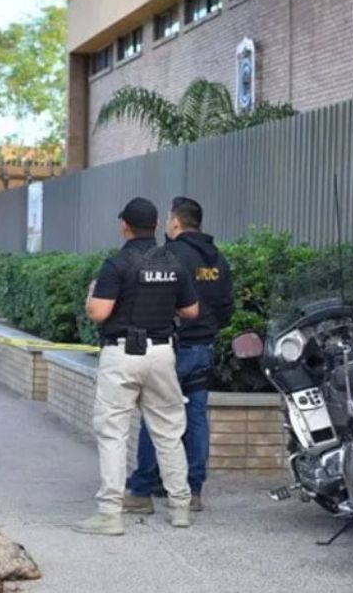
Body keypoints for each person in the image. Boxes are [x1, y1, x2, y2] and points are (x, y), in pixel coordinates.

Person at [76, 197, 200, 536]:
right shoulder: (174, 263)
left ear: (124, 225)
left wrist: (91, 297)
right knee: (169, 432)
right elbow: (191, 311)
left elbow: (99, 313)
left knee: (114, 432)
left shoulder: (116, 264)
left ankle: (110, 514)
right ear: (157, 225)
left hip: (122, 355)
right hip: (162, 354)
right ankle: (180, 508)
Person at [125, 197, 234, 514]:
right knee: (197, 418)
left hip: (174, 347)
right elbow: (227, 306)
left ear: (175, 222)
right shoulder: (217, 260)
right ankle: (193, 490)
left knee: (155, 415)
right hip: (204, 347)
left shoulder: (170, 255)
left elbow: (153, 299)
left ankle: (143, 489)